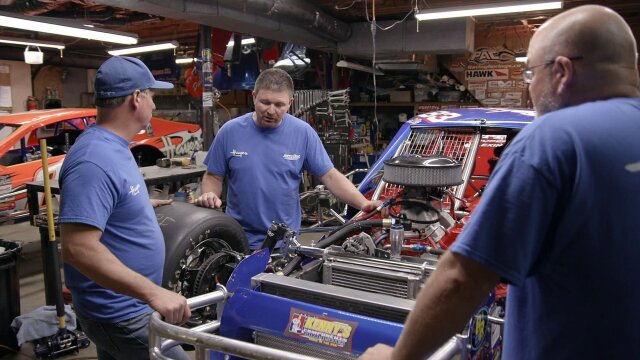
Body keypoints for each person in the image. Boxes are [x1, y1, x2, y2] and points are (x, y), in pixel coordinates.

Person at [360, 5, 640, 359]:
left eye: (530, 75)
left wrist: (399, 357)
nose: (531, 89)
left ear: (562, 71)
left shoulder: (554, 139)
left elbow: (463, 279)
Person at [59, 56, 191, 360]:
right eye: (152, 96)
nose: (154, 105)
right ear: (136, 98)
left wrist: (137, 205)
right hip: (121, 314)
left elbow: (106, 200)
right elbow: (77, 248)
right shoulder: (94, 159)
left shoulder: (114, 146)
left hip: (125, 307)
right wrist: (153, 293)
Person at [195, 68, 380, 249]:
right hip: (237, 238)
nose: (271, 110)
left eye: (279, 105)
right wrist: (209, 194)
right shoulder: (230, 131)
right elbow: (213, 176)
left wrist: (363, 203)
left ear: (290, 103)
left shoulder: (303, 133)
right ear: (253, 96)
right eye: (264, 102)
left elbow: (330, 176)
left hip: (284, 242)